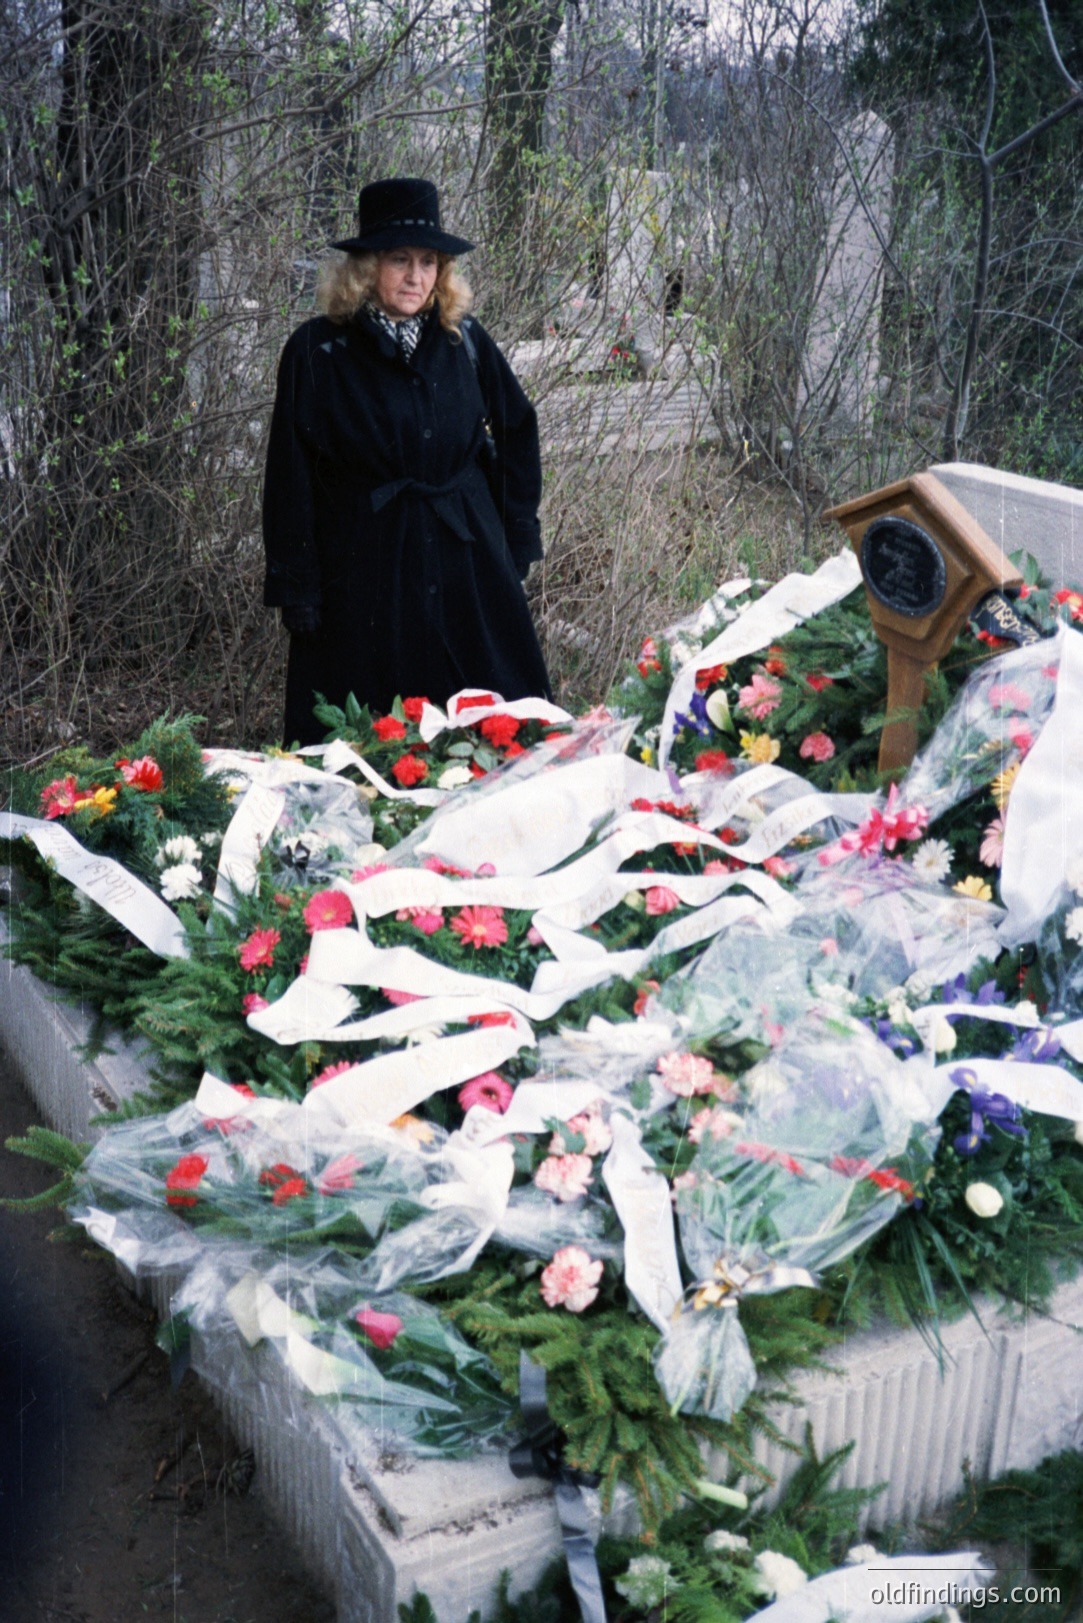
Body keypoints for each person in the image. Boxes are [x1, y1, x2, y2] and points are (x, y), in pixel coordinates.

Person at [262, 176, 552, 746]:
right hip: (363, 563)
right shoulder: (319, 351)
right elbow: (288, 474)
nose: (416, 277)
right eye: (399, 260)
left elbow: (518, 427)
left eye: (428, 262)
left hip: (466, 561)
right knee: (367, 735)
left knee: (494, 726)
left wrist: (517, 534)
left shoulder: (461, 340)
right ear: (368, 269)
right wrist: (297, 582)